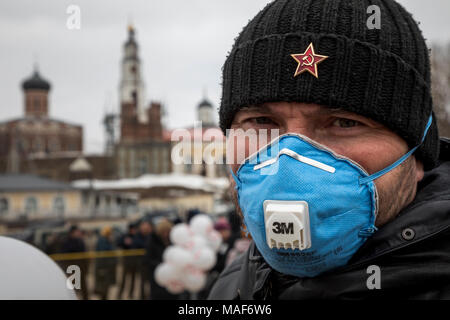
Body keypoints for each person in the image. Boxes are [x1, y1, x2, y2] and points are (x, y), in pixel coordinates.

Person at [209, 0, 450, 299]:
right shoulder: (232, 286)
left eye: (344, 122)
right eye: (261, 121)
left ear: (417, 152)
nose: (288, 159)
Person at [147, 218, 180, 300]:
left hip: (172, 277)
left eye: (167, 232)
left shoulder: (173, 241)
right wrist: (161, 265)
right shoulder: (152, 241)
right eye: (163, 232)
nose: (165, 234)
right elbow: (148, 259)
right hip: (158, 277)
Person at [61, 225, 89, 300]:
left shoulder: (80, 241)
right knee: (72, 288)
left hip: (81, 268)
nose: (79, 233)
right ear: (72, 233)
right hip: (72, 268)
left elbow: (84, 254)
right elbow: (66, 254)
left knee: (84, 288)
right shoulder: (67, 242)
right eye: (77, 231)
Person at [94, 226, 117, 300]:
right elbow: (103, 254)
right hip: (104, 267)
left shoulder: (106, 240)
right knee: (103, 286)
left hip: (107, 266)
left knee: (105, 286)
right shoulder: (103, 241)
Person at [117, 223, 138, 299]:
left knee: (133, 279)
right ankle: (119, 294)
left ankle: (131, 294)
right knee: (123, 279)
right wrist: (124, 243)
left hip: (135, 261)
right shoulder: (124, 236)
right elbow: (118, 243)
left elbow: (139, 244)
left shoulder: (136, 237)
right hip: (126, 260)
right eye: (132, 229)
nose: (134, 230)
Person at [134, 219, 153, 300]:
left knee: (151, 281)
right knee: (142, 281)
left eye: (147, 226)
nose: (145, 228)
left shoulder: (151, 235)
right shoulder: (138, 236)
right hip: (141, 262)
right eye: (144, 226)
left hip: (150, 262)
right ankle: (142, 296)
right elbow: (136, 245)